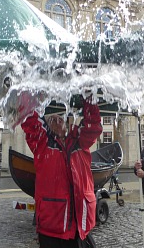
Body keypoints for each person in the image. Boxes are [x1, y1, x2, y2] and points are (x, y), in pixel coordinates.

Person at [21, 94, 102, 248]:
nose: (57, 121)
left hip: (81, 226)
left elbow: (94, 124)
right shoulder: (42, 145)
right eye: (52, 120)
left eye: (60, 119)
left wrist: (89, 95)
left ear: (66, 125)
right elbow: (30, 121)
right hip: (53, 227)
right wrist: (28, 92)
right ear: (46, 126)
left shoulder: (80, 142)